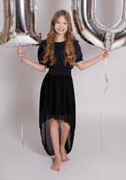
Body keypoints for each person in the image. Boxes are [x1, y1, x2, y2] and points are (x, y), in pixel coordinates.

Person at [17, 10, 110, 172]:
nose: (61, 26)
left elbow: (81, 66)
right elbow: (41, 68)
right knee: (53, 121)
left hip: (66, 85)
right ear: (54, 24)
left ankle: (61, 147)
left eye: (64, 23)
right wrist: (24, 59)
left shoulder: (73, 44)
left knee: (66, 125)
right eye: (58, 22)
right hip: (50, 84)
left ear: (68, 26)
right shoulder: (46, 44)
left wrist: (100, 57)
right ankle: (58, 157)